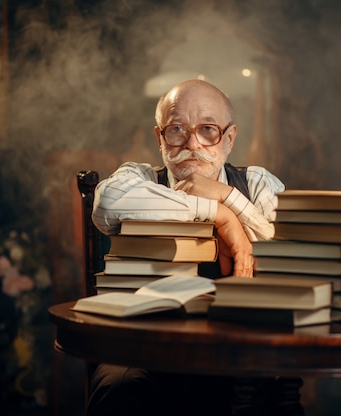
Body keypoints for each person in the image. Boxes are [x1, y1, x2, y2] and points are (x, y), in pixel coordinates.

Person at [87, 79, 285, 416]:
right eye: (177, 129)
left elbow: (286, 257)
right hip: (145, 348)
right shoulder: (139, 178)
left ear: (230, 137)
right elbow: (108, 203)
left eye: (208, 129)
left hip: (241, 348)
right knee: (119, 391)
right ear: (159, 137)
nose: (192, 143)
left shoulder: (257, 183)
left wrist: (226, 196)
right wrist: (220, 216)